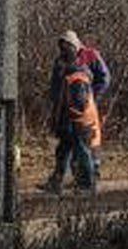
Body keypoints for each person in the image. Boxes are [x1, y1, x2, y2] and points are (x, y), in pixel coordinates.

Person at [43, 30, 110, 193]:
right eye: (61, 46)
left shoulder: (89, 58)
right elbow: (55, 87)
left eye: (66, 46)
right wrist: (55, 111)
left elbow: (105, 79)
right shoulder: (61, 62)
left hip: (83, 110)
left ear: (73, 45)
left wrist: (92, 97)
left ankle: (88, 182)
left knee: (84, 147)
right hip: (65, 111)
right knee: (64, 148)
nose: (63, 50)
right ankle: (59, 181)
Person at [45, 64, 103, 194]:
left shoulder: (77, 79)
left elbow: (79, 104)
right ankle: (58, 182)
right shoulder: (73, 79)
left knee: (82, 152)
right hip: (72, 122)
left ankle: (87, 185)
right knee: (63, 151)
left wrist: (70, 116)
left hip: (79, 123)